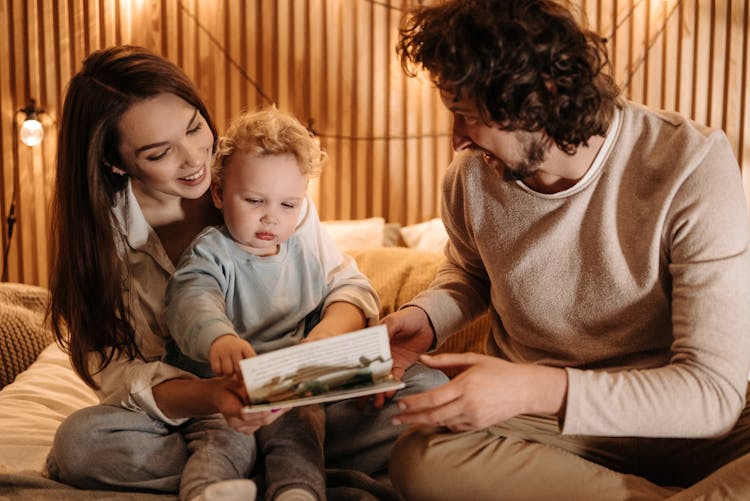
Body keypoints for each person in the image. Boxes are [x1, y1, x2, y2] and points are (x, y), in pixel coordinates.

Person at [45, 45, 447, 501]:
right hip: (202, 410)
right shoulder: (105, 244)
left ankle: (263, 472)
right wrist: (218, 395)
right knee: (81, 443)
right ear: (115, 162)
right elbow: (121, 378)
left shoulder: (263, 181)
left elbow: (345, 286)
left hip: (302, 386)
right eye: (160, 153)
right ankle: (284, 474)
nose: (195, 158)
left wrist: (320, 348)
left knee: (428, 390)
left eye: (195, 127)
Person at [384, 1, 750, 499]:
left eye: (466, 118)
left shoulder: (691, 165)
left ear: (542, 100)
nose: (457, 141)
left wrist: (532, 386)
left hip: (680, 418)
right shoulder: (470, 178)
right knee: (421, 461)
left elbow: (711, 394)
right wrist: (426, 318)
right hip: (548, 427)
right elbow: (470, 272)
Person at [163, 107, 380, 501]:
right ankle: (206, 493)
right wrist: (219, 339)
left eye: (288, 205)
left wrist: (325, 346)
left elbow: (350, 291)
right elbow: (192, 299)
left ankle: (296, 492)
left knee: (301, 433)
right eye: (254, 200)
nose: (271, 218)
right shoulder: (212, 253)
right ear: (218, 192)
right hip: (229, 387)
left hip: (289, 387)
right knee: (222, 441)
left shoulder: (305, 250)